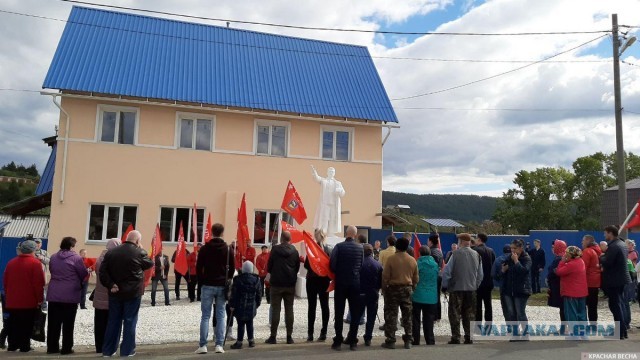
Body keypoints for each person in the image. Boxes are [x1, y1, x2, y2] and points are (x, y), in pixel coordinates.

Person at [99, 230, 154, 357]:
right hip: (132, 292)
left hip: (115, 291)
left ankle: (108, 350)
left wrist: (110, 284)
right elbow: (149, 263)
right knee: (130, 321)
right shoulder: (139, 252)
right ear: (137, 241)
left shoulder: (111, 252)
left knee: (113, 321)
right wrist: (142, 249)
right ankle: (127, 350)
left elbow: (102, 272)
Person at [195, 223, 235, 354]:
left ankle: (203, 345)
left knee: (205, 316)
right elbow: (232, 269)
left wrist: (202, 281)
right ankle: (219, 345)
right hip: (222, 285)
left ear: (211, 232)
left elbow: (198, 267)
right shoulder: (228, 249)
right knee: (221, 315)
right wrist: (227, 279)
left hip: (207, 284)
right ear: (222, 233)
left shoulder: (204, 249)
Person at [47, 236, 89, 355]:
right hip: (70, 294)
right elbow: (83, 273)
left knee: (53, 323)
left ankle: (52, 347)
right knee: (68, 323)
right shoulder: (76, 258)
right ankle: (66, 348)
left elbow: (51, 270)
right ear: (71, 246)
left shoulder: (54, 257)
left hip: (54, 293)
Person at [3, 240, 45, 352]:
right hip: (28, 300)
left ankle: (12, 345)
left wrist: (8, 295)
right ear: (33, 250)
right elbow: (39, 283)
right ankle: (24, 346)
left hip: (12, 300)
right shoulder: (35, 263)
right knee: (27, 324)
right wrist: (40, 299)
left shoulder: (11, 262)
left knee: (13, 323)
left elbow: (5, 281)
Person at [442, 233, 483, 345]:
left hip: (456, 289)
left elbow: (447, 272)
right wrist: (475, 285)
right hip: (471, 289)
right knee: (470, 314)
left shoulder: (455, 254)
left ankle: (456, 337)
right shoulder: (477, 255)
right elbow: (480, 275)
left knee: (455, 313)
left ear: (461, 242)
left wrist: (445, 286)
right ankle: (469, 337)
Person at [329, 225, 364, 350]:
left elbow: (332, 265)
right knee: (354, 313)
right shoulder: (360, 248)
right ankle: (353, 342)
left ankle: (338, 340)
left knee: (339, 312)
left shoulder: (339, 247)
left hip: (341, 283)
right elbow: (361, 266)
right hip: (355, 283)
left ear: (346, 233)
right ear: (355, 234)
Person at [381, 237, 418, 350]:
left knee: (391, 315)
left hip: (393, 289)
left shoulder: (391, 259)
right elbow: (416, 278)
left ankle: (391, 340)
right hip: (407, 289)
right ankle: (408, 340)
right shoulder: (412, 260)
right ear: (407, 247)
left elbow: (385, 276)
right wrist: (412, 287)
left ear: (396, 246)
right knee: (407, 315)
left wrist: (384, 289)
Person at [265, 231, 300, 345]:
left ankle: (273, 336)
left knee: (276, 310)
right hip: (289, 284)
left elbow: (269, 266)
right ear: (290, 239)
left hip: (276, 284)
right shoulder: (295, 251)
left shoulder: (275, 250)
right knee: (289, 310)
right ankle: (289, 337)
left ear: (281, 238)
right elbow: (297, 267)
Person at [600, 225, 631, 340]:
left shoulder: (613, 246)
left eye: (605, 233)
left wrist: (601, 256)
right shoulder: (622, 244)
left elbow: (608, 262)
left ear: (610, 233)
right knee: (619, 305)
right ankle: (622, 332)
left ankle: (619, 332)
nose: (604, 235)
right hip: (621, 279)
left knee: (615, 306)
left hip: (614, 280)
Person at [498, 239, 532, 340]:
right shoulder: (509, 258)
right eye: (511, 248)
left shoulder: (526, 258)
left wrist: (516, 261)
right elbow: (501, 274)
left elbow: (524, 271)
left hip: (521, 290)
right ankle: (515, 334)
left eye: (515, 248)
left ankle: (525, 334)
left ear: (521, 248)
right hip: (509, 290)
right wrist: (503, 271)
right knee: (511, 313)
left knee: (520, 312)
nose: (512, 250)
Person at [93, 239, 119, 354]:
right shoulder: (113, 260)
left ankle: (99, 347)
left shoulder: (100, 258)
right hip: (110, 296)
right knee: (111, 324)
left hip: (99, 296)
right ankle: (108, 347)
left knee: (99, 324)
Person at [305, 228, 332, 342]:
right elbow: (331, 265)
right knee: (324, 306)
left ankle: (310, 334)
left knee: (312, 307)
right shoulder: (328, 249)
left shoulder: (311, 249)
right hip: (324, 280)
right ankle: (324, 332)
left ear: (315, 236)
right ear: (324, 236)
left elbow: (307, 265)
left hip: (312, 280)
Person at [229, 261, 262, 349]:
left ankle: (239, 342)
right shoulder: (256, 280)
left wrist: (232, 305)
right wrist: (257, 304)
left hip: (240, 306)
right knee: (250, 323)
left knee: (240, 324)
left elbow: (234, 294)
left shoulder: (237, 280)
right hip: (251, 305)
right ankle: (251, 341)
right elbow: (259, 294)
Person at [412, 246, 438, 346]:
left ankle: (416, 340)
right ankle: (430, 340)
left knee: (415, 319)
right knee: (429, 320)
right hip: (431, 297)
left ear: (419, 253)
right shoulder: (435, 264)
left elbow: (414, 279)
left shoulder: (417, 264)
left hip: (417, 295)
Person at [555, 246, 588, 325]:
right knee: (582, 314)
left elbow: (559, 272)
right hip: (582, 292)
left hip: (571, 293)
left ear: (571, 255)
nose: (565, 255)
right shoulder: (581, 261)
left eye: (567, 253)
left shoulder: (571, 264)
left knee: (571, 314)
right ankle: (583, 334)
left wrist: (562, 262)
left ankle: (574, 334)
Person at [359, 244, 383, 347]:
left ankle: (352, 337)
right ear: (372, 252)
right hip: (373, 293)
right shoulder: (378, 264)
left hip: (360, 292)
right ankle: (368, 338)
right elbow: (380, 282)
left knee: (356, 316)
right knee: (371, 317)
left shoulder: (359, 263)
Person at [473, 233, 495, 323]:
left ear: (479, 239)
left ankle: (478, 327)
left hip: (478, 281)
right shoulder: (491, 251)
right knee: (488, 304)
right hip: (489, 281)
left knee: (478, 306)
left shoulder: (475, 251)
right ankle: (488, 326)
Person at [581, 235, 601, 323]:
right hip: (596, 281)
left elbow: (583, 267)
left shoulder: (587, 251)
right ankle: (594, 324)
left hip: (588, 282)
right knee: (593, 305)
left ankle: (584, 324)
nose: (582, 242)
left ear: (588, 241)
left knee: (584, 305)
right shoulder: (597, 251)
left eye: (583, 240)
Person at [546, 240, 567, 324]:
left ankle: (564, 327)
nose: (552, 249)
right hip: (559, 285)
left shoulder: (559, 259)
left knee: (563, 307)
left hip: (558, 286)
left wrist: (548, 277)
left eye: (554, 247)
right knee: (563, 307)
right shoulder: (563, 257)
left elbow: (553, 272)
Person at [492, 244, 513, 319]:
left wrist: (499, 279)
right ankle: (515, 325)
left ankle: (508, 325)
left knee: (505, 306)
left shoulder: (498, 260)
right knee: (515, 306)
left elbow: (493, 274)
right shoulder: (515, 259)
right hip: (514, 286)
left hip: (503, 286)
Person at [427, 234, 444, 321]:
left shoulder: (431, 252)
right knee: (437, 295)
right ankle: (438, 315)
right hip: (439, 275)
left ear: (430, 241)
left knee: (433, 296)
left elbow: (432, 266)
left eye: (428, 241)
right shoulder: (439, 250)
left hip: (433, 276)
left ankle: (433, 316)